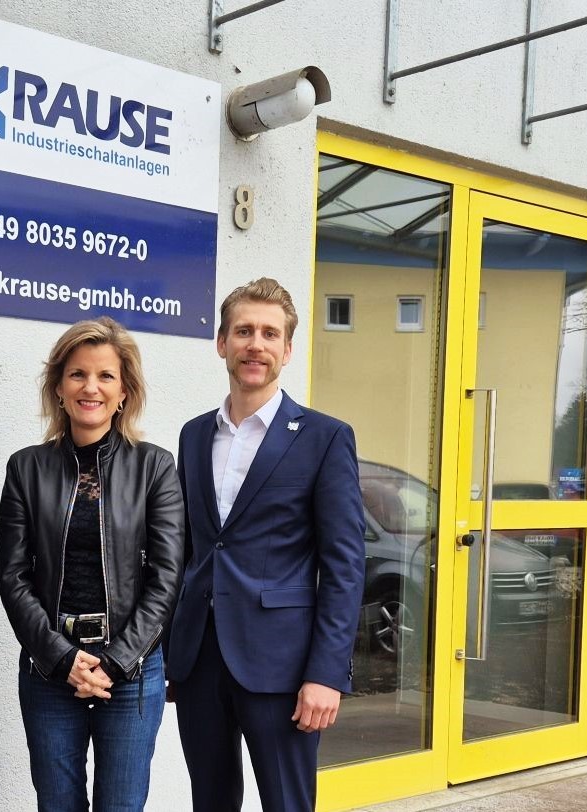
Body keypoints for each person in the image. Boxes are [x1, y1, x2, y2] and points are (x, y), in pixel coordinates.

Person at [167, 278, 365, 812]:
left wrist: (326, 673)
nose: (256, 344)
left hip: (283, 667)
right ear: (222, 343)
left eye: (270, 334)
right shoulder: (193, 435)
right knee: (210, 802)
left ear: (287, 350)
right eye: (244, 331)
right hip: (199, 660)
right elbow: (187, 551)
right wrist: (170, 653)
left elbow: (344, 566)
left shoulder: (325, 437)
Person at [0, 316, 185, 812]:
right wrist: (62, 659)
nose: (91, 387)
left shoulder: (155, 467)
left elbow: (167, 577)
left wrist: (116, 661)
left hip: (132, 669)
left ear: (124, 391)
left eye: (106, 376)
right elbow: (12, 576)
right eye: (78, 374)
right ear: (59, 387)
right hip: (49, 668)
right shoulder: (25, 468)